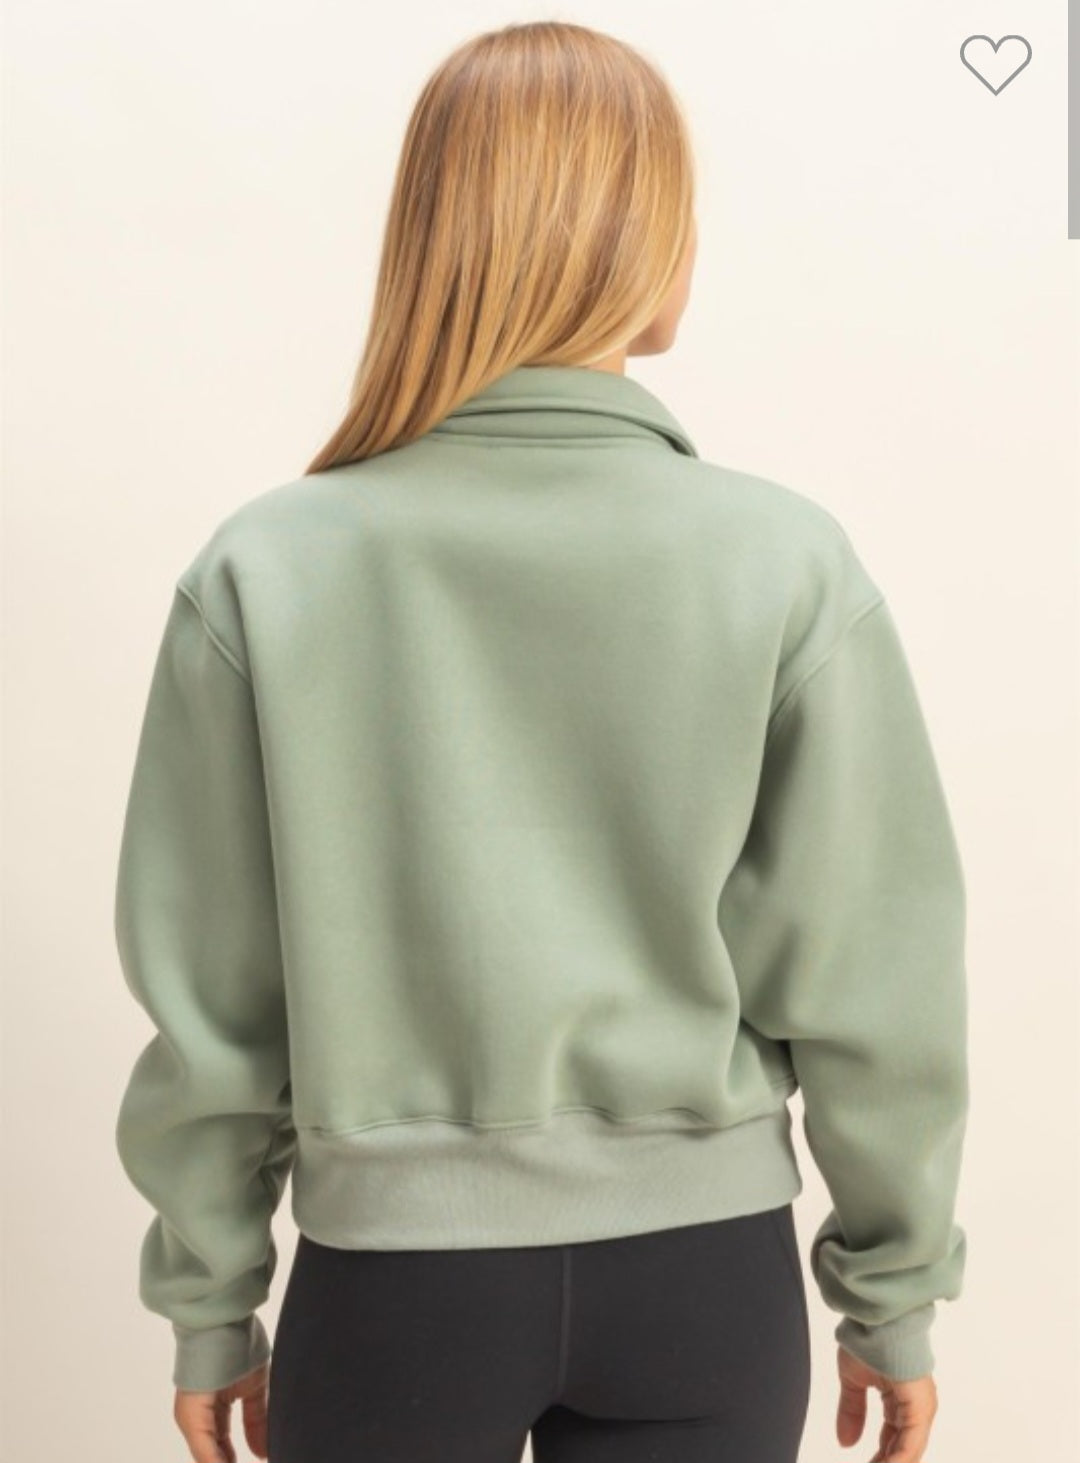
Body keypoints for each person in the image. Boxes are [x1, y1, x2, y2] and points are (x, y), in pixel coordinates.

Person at [112, 19, 969, 1463]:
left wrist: (212, 1303)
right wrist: (894, 1295)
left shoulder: (267, 568)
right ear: (646, 242)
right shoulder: (782, 561)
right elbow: (875, 980)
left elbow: (215, 1003)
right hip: (704, 1284)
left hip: (392, 1294)